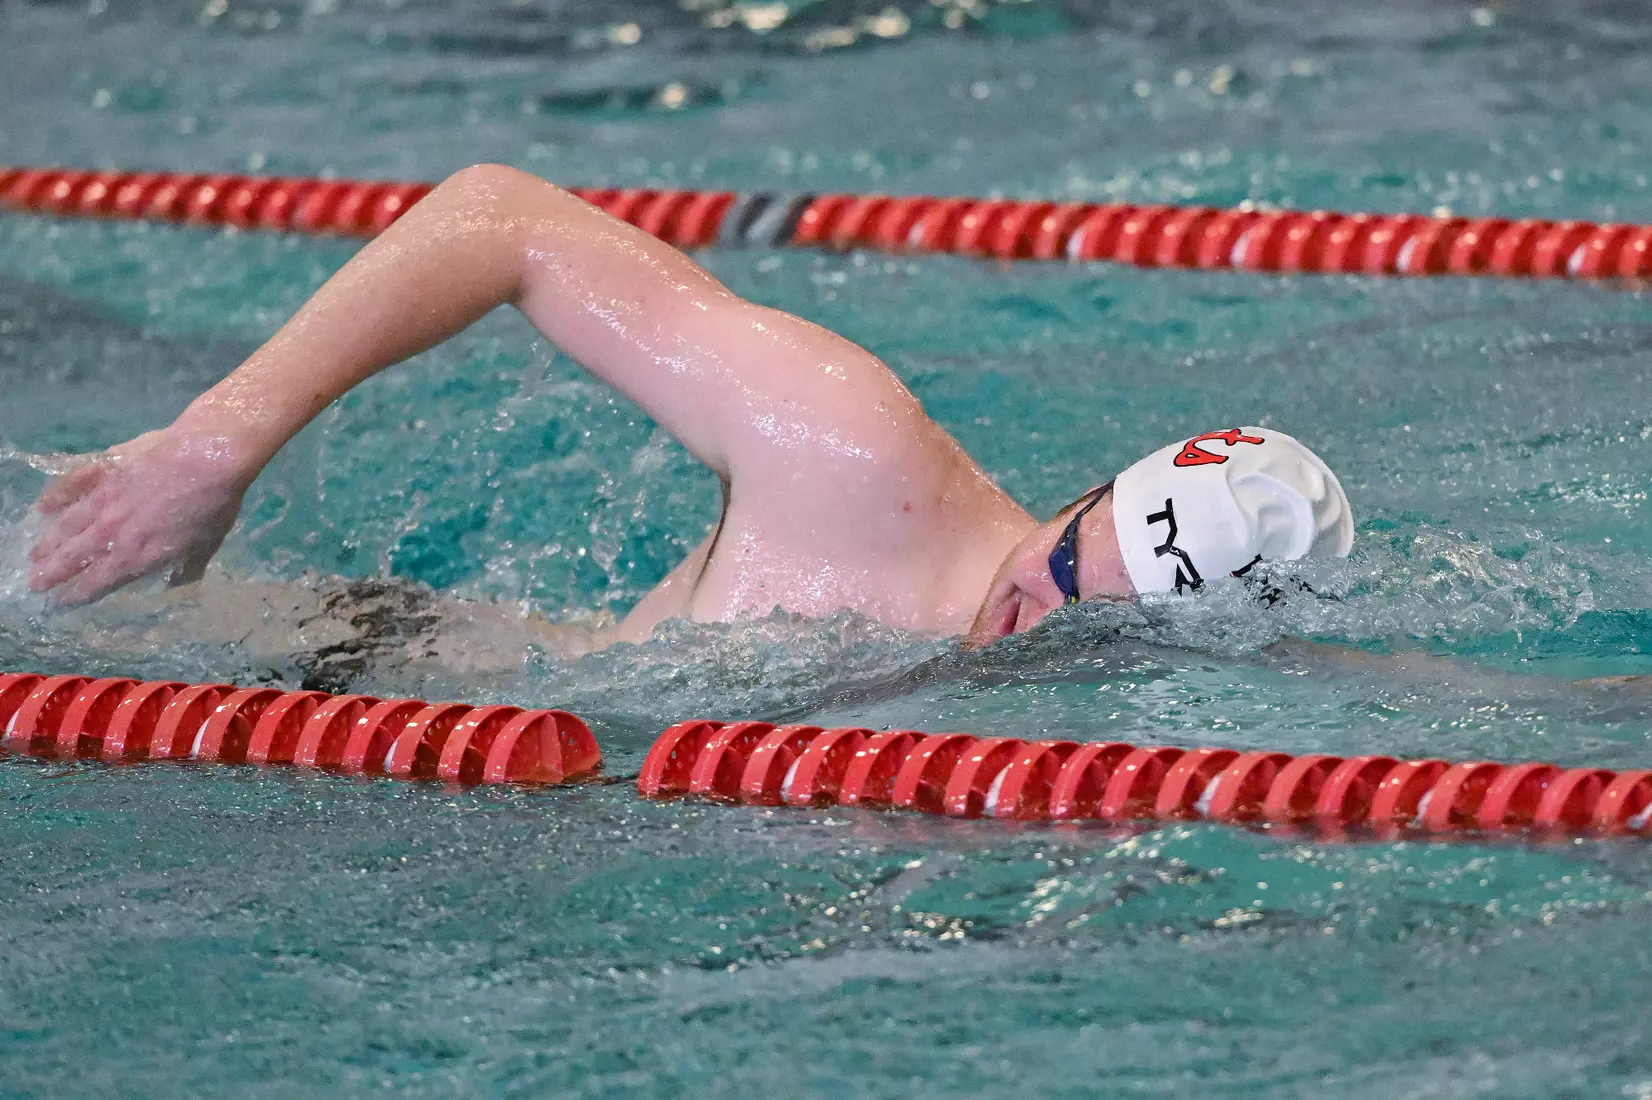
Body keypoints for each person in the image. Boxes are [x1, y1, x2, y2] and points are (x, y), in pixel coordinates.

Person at [25, 164, 1354, 650]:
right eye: (1060, 557)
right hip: (347, 675)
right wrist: (219, 443)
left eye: (1092, 632)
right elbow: (504, 219)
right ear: (1082, 496)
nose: (1028, 614)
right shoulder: (855, 459)